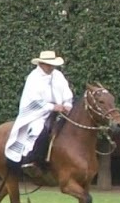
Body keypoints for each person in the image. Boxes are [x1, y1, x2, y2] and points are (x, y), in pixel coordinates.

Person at [4, 50, 74, 179]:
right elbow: (34, 100)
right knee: (40, 130)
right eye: (48, 64)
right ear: (41, 63)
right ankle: (32, 160)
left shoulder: (58, 75)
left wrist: (67, 105)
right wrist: (53, 107)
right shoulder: (33, 77)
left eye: (52, 64)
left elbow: (66, 93)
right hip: (37, 114)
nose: (51, 67)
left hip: (59, 112)